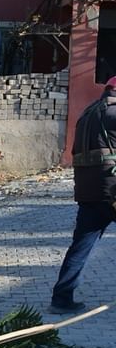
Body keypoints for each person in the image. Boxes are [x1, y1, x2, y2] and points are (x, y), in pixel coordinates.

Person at [50, 76, 116, 314]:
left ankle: (61, 299)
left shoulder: (86, 115)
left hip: (88, 193)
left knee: (80, 247)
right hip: (112, 190)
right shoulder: (113, 114)